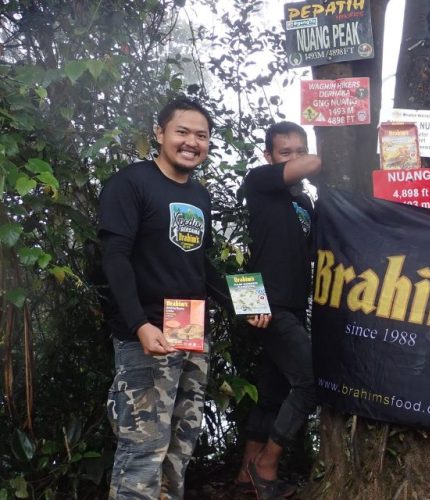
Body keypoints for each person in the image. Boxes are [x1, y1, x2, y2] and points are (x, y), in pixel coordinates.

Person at [99, 98, 270, 498]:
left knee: (179, 446)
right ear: (160, 134)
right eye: (182, 132)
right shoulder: (131, 183)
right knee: (143, 447)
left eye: (202, 135)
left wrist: (246, 304)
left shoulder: (198, 195)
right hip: (146, 332)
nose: (192, 142)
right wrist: (139, 324)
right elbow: (114, 258)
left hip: (190, 327)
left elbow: (199, 265)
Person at [236, 121, 320, 499]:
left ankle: (244, 475)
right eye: (286, 152)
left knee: (272, 388)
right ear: (269, 157)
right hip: (266, 305)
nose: (296, 158)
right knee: (310, 381)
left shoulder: (303, 202)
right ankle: (267, 463)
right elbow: (250, 255)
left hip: (292, 304)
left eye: (301, 150)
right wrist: (251, 305)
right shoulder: (259, 181)